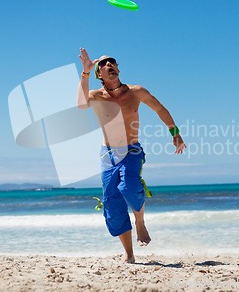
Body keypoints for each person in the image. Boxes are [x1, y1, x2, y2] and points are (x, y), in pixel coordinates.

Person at [77, 47, 186, 263]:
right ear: (100, 74)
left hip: (132, 149)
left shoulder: (136, 91)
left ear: (117, 68)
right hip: (107, 154)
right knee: (112, 203)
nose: (109, 65)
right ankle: (129, 254)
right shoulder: (96, 96)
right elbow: (80, 105)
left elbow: (160, 109)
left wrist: (175, 133)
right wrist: (85, 72)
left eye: (112, 63)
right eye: (104, 64)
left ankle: (140, 222)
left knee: (129, 186)